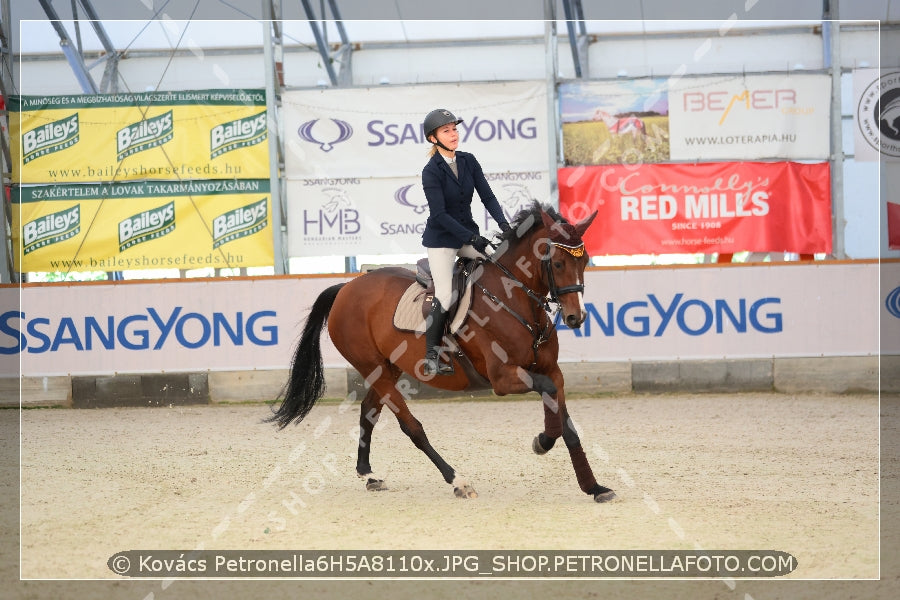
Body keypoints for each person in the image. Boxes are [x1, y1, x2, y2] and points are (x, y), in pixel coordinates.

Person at [420, 108, 511, 376]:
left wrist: (504, 226)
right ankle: (431, 356)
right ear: (433, 138)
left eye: (455, 129)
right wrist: (472, 238)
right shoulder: (431, 171)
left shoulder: (469, 160)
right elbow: (439, 215)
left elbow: (488, 197)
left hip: (467, 235)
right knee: (445, 294)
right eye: (446, 131)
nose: (453, 134)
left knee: (501, 266)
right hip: (442, 242)